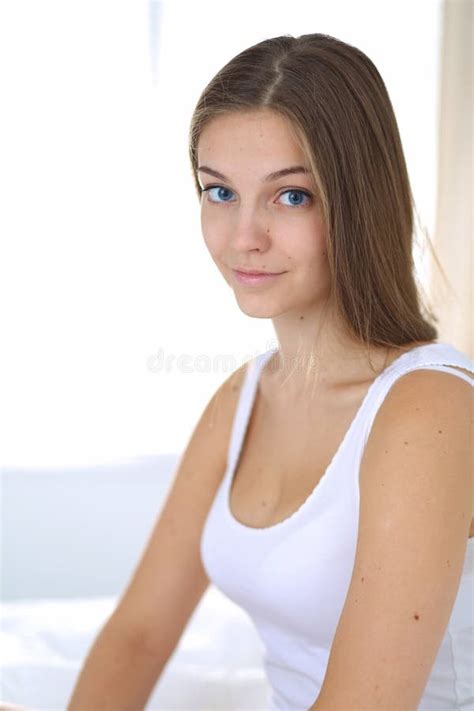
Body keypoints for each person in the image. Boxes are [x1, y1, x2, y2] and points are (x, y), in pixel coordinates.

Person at [67, 32, 473, 710]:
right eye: (219, 191)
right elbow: (137, 635)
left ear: (358, 199)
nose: (242, 236)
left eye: (290, 198)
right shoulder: (245, 397)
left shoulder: (430, 409)